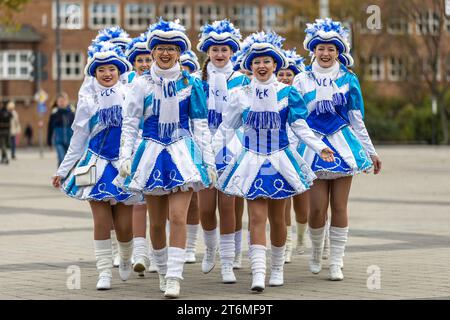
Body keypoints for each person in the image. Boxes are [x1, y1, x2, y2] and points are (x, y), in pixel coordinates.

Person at [214, 31, 335, 292]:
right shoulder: (240, 94)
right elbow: (226, 128)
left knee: (279, 219)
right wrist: (207, 154)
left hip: (280, 159)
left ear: (275, 65)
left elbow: (300, 127)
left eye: (266, 61)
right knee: (256, 218)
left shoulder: (288, 94)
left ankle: (277, 268)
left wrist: (319, 146)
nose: (261, 66)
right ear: (250, 66)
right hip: (250, 160)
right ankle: (258, 273)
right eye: (256, 62)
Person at [117, 18, 216, 298]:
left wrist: (208, 162)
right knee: (157, 222)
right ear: (152, 51)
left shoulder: (191, 83)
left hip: (181, 152)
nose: (165, 53)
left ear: (179, 52)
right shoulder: (141, 84)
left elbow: (200, 125)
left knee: (178, 216)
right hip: (150, 154)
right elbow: (130, 122)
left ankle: (174, 276)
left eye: (171, 48)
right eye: (160, 47)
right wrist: (126, 156)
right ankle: (161, 269)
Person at [294, 18, 382, 281]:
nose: (325, 53)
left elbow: (356, 119)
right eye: (321, 48)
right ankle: (316, 252)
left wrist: (371, 151)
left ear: (339, 52)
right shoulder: (301, 80)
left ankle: (336, 261)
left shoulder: (348, 79)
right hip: (313, 147)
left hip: (343, 146)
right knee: (318, 209)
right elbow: (295, 120)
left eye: (331, 48)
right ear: (313, 50)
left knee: (340, 206)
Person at [51, 41, 139, 290]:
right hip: (95, 166)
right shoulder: (87, 101)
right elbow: (78, 140)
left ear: (119, 71)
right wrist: (62, 170)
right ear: (94, 73)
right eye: (101, 70)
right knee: (101, 222)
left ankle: (124, 256)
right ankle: (103, 273)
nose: (107, 73)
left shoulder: (129, 94)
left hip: (122, 165)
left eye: (111, 68)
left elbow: (137, 132)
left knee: (123, 226)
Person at [196, 19, 250, 283]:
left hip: (232, 145)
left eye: (224, 50)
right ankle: (209, 250)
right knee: (206, 208)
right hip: (204, 145)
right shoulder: (197, 79)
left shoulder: (241, 79)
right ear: (208, 51)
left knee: (228, 206)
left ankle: (228, 262)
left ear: (232, 52)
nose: (219, 54)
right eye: (215, 49)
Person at [124, 32, 158, 277]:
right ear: (134, 63)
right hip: (137, 148)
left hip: (161, 149)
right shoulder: (128, 87)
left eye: (148, 59)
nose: (145, 64)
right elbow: (128, 122)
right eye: (141, 61)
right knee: (139, 203)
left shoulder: (162, 83)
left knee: (160, 203)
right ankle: (139, 252)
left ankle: (158, 253)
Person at [277, 49, 308, 263]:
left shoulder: (300, 96)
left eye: (290, 74)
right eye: (282, 73)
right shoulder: (271, 95)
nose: (285, 77)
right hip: (280, 152)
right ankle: (286, 244)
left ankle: (303, 237)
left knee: (304, 204)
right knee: (284, 199)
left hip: (302, 150)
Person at [180, 49, 202, 264]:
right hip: (162, 146)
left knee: (193, 200)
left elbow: (199, 119)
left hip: (190, 145)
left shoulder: (194, 86)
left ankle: (190, 246)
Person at [47, 93, 75, 166]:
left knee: (69, 161)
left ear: (67, 101)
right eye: (60, 101)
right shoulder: (54, 113)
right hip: (59, 141)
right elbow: (50, 128)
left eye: (64, 101)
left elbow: (77, 128)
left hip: (70, 141)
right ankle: (61, 176)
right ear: (57, 102)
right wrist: (49, 142)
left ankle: (67, 176)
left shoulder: (72, 113)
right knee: (62, 158)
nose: (62, 103)